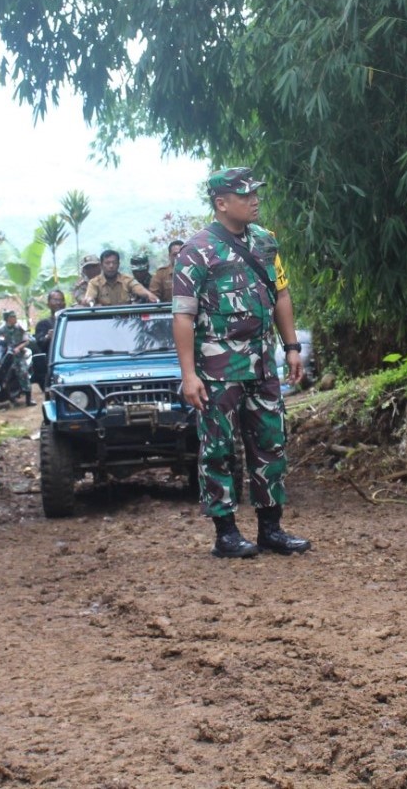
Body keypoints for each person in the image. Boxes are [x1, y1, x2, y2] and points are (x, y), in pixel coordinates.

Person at [173, 167, 311, 559]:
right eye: (245, 195)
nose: (255, 201)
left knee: (271, 442)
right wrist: (188, 374)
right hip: (217, 368)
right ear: (221, 204)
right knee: (218, 448)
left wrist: (291, 347)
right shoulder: (196, 251)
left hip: (263, 364)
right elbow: (182, 316)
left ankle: (271, 528)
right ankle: (227, 533)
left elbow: (281, 294)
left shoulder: (265, 242)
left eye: (256, 194)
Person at [78, 249, 159, 306]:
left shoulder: (127, 280)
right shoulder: (94, 283)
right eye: (107, 263)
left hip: (125, 322)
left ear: (118, 264)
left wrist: (148, 295)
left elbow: (137, 287)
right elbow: (90, 296)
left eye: (114, 262)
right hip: (103, 321)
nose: (111, 266)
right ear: (102, 265)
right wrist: (89, 300)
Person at [0, 310, 33, 406]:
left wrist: (19, 348)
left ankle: (29, 400)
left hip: (18, 357)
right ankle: (10, 398)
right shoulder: (1, 330)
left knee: (24, 374)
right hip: (6, 357)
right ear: (8, 319)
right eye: (13, 317)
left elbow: (26, 340)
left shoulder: (19, 328)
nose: (15, 318)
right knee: (5, 378)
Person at [32, 289, 67, 389]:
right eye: (55, 300)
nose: (58, 303)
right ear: (48, 304)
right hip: (53, 365)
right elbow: (39, 345)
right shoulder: (43, 324)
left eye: (61, 300)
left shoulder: (71, 321)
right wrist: (47, 337)